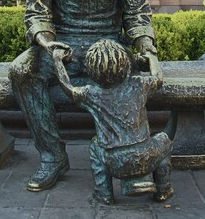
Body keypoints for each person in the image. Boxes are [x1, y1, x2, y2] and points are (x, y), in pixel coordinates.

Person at [8, 0, 160, 193]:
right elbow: (37, 11)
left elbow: (138, 12)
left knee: (124, 81)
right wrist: (48, 44)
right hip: (61, 44)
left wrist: (145, 46)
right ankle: (52, 156)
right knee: (21, 71)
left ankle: (132, 159)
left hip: (108, 46)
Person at [52, 39, 173, 204]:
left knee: (95, 147)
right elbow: (158, 78)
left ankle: (104, 194)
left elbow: (67, 87)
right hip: (146, 155)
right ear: (126, 64)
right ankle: (163, 189)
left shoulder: (91, 93)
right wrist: (151, 57)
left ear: (92, 71)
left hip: (114, 162)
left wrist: (57, 60)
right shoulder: (139, 84)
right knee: (164, 140)